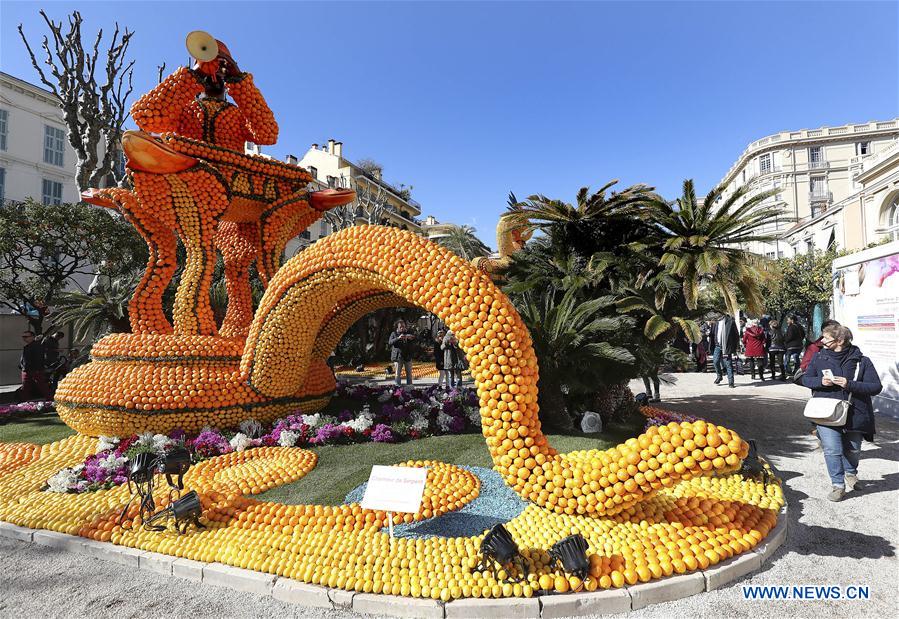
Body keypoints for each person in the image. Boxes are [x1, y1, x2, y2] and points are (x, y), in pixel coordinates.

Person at [801, 325, 882, 501]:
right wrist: (821, 381)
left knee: (853, 450)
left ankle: (851, 472)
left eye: (825, 338)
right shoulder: (819, 357)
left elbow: (876, 387)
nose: (821, 341)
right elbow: (806, 379)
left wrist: (849, 384)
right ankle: (838, 485)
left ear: (840, 341)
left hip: (855, 413)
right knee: (832, 450)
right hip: (826, 412)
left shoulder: (862, 361)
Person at [709, 313, 739, 388]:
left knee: (728, 364)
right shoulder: (715, 323)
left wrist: (736, 348)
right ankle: (719, 376)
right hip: (717, 346)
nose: (716, 315)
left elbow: (736, 335)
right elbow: (712, 334)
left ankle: (731, 382)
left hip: (726, 346)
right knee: (715, 361)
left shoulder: (730, 321)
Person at [19, 331, 49, 401]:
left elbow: (38, 358)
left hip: (34, 370)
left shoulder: (37, 346)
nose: (24, 338)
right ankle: (24, 402)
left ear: (32, 337)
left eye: (26, 337)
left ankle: (50, 400)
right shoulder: (28, 346)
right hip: (29, 369)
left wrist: (26, 367)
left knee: (41, 386)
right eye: (23, 337)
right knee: (26, 388)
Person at [388, 320, 416, 386]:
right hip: (398, 357)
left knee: (409, 373)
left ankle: (409, 387)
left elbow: (416, 339)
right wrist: (398, 338)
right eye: (400, 327)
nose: (402, 328)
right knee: (398, 373)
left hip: (407, 356)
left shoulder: (408, 333)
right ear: (397, 327)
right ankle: (398, 387)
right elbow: (390, 342)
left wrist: (411, 338)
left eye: (403, 326)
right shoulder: (394, 333)